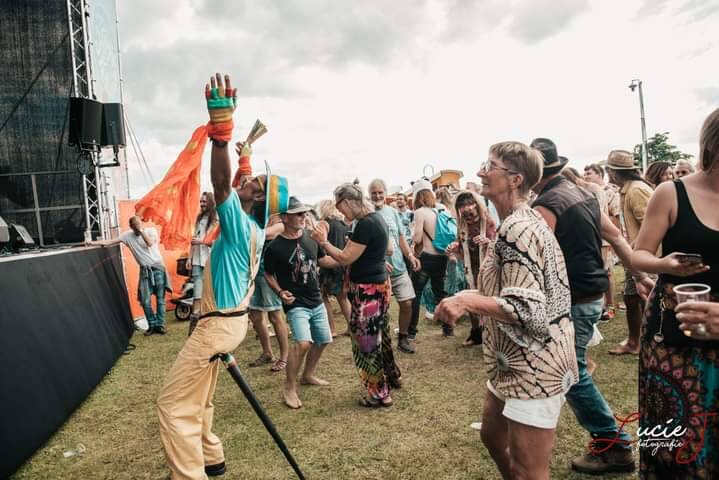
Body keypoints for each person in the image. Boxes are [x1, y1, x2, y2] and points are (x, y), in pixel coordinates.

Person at [435, 141, 578, 480]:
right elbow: (508, 291)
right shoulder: (515, 222)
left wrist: (466, 302)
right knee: (492, 436)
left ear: (515, 179)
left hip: (536, 364)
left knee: (528, 470)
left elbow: (527, 309)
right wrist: (466, 294)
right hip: (512, 360)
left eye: (490, 166)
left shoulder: (518, 228)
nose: (480, 172)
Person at [157, 73, 268, 479]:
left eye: (252, 184)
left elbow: (222, 185)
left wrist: (221, 135)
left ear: (256, 199)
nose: (245, 181)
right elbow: (237, 184)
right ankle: (211, 457)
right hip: (227, 323)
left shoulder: (238, 225)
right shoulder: (253, 226)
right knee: (200, 398)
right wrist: (245, 158)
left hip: (218, 326)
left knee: (173, 405)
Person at [531, 138, 653, 475]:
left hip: (572, 299)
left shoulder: (546, 204)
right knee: (569, 369)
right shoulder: (581, 193)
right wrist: (639, 275)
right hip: (590, 295)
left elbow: (536, 260)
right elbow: (616, 236)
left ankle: (615, 445)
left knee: (570, 373)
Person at [632, 107, 719, 478]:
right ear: (712, 145)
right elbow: (638, 254)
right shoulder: (671, 193)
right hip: (672, 332)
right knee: (672, 434)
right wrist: (665, 264)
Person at [311, 181, 402, 407]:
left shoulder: (365, 223)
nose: (338, 209)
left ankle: (379, 394)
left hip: (368, 290)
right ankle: (392, 376)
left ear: (349, 201)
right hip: (379, 284)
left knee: (366, 342)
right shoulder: (376, 219)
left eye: (339, 204)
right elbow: (388, 249)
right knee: (381, 335)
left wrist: (323, 242)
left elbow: (344, 258)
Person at [264, 197, 337, 409]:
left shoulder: (310, 237)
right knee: (303, 343)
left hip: (316, 299)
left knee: (323, 340)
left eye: (304, 212)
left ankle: (307, 375)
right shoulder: (274, 247)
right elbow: (268, 274)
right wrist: (279, 292)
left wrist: (346, 259)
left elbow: (322, 260)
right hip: (296, 303)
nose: (303, 216)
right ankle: (289, 387)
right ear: (284, 218)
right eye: (298, 213)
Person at [606, 150, 654, 355]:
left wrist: (632, 247)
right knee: (632, 299)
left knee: (645, 299)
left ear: (612, 171)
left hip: (646, 256)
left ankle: (648, 342)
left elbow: (650, 225)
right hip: (635, 254)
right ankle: (636, 342)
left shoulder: (636, 190)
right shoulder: (628, 189)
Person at [89, 215, 171, 336]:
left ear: (141, 223)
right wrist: (91, 243)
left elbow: (149, 243)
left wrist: (141, 231)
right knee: (145, 300)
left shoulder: (151, 231)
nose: (137, 227)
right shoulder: (127, 236)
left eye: (138, 224)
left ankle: (161, 325)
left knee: (160, 299)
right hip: (145, 270)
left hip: (158, 267)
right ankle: (152, 325)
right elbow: (109, 242)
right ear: (131, 227)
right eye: (134, 226)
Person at [368, 179, 421, 354]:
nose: (377, 196)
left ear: (385, 193)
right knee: (379, 309)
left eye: (380, 192)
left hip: (398, 267)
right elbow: (362, 245)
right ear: (369, 194)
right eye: (374, 193)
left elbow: (400, 237)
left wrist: (410, 255)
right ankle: (379, 342)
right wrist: (379, 261)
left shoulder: (392, 212)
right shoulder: (365, 214)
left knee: (407, 302)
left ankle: (403, 338)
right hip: (377, 271)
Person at [446, 190, 496, 347]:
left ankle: (492, 335)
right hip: (470, 269)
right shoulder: (462, 225)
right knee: (472, 302)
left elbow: (499, 245)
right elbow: (462, 250)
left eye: (469, 204)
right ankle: (476, 334)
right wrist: (455, 247)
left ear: (476, 205)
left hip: (488, 268)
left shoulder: (487, 221)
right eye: (462, 206)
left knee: (488, 301)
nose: (467, 209)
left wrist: (488, 242)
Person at [409, 179, 453, 338]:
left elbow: (417, 238)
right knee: (440, 294)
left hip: (427, 257)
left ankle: (411, 331)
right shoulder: (442, 209)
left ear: (417, 196)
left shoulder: (420, 212)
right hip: (442, 257)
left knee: (415, 293)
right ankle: (448, 329)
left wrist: (412, 231)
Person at [247, 214, 290, 372]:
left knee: (275, 316)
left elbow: (266, 234)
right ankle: (267, 353)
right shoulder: (257, 220)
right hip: (253, 273)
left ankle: (284, 357)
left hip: (269, 274)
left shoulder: (279, 221)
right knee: (255, 316)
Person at [583, 162, 621, 321]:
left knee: (607, 271)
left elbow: (616, 215)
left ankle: (610, 305)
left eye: (589, 173)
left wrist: (615, 240)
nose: (585, 176)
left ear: (599, 174)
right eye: (585, 173)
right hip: (592, 236)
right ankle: (601, 305)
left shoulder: (608, 192)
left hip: (605, 237)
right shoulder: (586, 191)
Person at [316, 199, 352, 337]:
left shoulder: (324, 223)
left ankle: (331, 329)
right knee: (343, 298)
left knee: (323, 297)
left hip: (329, 264)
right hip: (343, 263)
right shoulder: (344, 225)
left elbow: (321, 242)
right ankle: (351, 327)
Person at [186, 192, 218, 334]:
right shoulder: (199, 219)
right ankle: (194, 326)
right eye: (201, 201)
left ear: (211, 202)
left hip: (210, 260)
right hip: (197, 261)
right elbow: (194, 240)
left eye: (204, 201)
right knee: (197, 293)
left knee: (210, 293)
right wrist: (189, 258)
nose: (202, 204)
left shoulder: (217, 219)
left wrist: (202, 242)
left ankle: (210, 324)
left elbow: (217, 242)